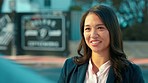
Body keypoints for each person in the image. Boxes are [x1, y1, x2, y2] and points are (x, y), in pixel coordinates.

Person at [58, 5, 144, 83]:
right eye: (88, 29)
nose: (93, 35)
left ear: (112, 31)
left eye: (100, 28)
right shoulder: (70, 67)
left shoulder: (131, 73)